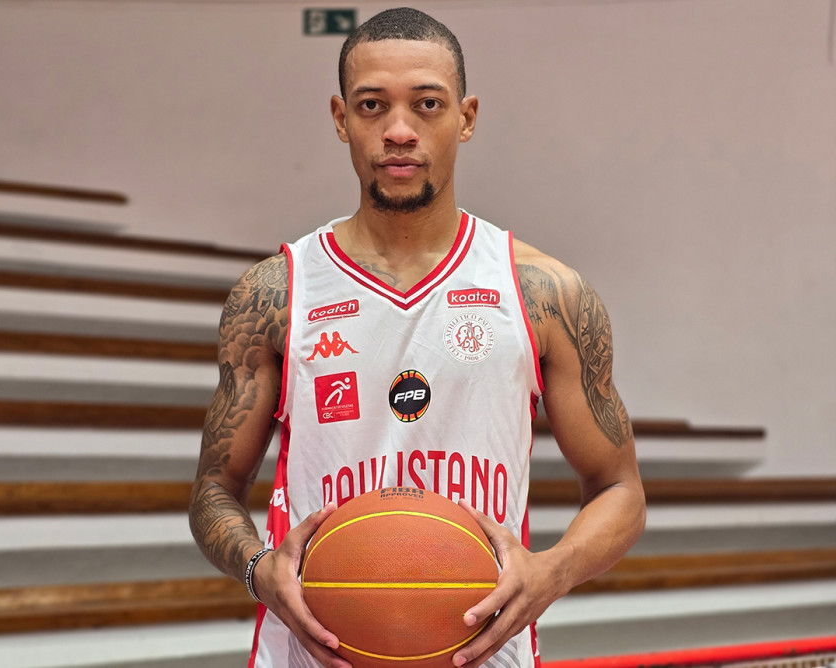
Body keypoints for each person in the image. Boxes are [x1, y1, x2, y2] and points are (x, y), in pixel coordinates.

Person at [189, 7, 645, 668]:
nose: (399, 130)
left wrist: (552, 572)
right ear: (341, 118)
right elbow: (213, 489)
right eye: (372, 105)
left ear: (466, 117)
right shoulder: (277, 294)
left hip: (484, 652)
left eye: (427, 104)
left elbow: (620, 489)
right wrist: (260, 569)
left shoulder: (545, 293)